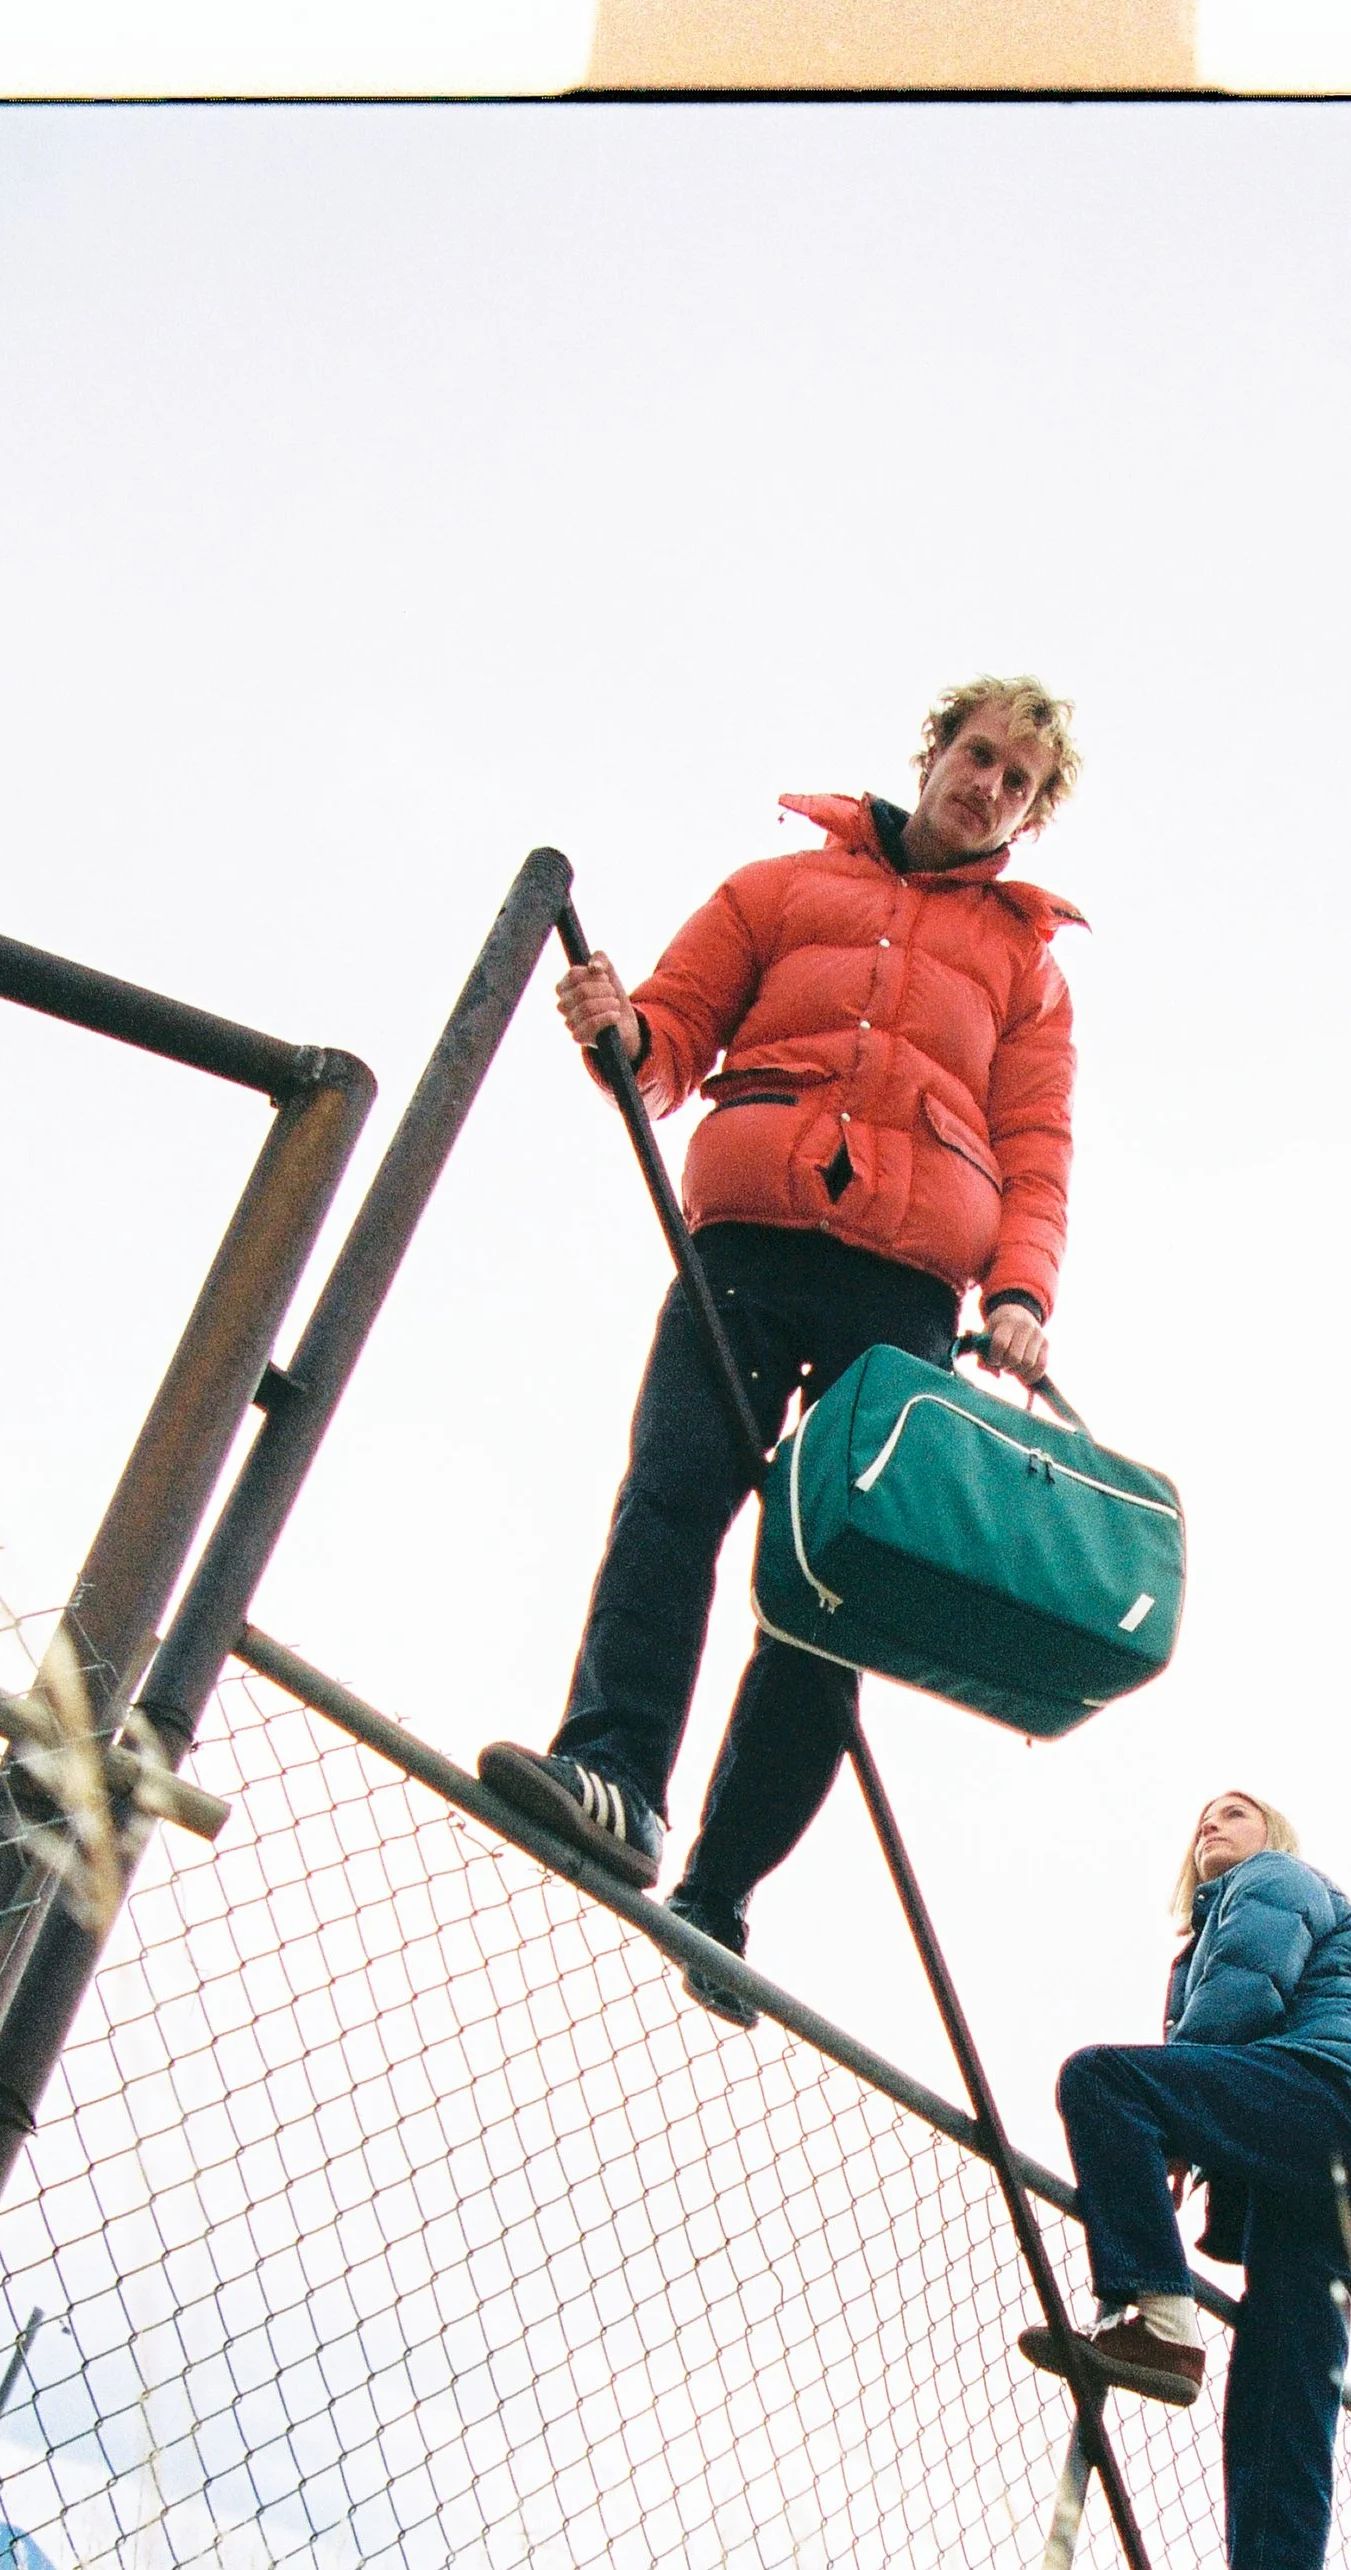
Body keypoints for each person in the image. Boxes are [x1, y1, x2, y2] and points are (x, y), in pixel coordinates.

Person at [475, 678, 1087, 2026]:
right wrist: (622, 1034)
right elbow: (675, 1030)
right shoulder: (774, 887)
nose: (987, 784)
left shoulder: (1028, 975)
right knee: (670, 1498)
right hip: (747, 1247)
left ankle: (722, 1888)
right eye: (976, 754)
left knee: (832, 1596)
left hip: (907, 1298)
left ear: (1031, 815)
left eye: (1018, 781)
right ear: (933, 753)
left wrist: (1021, 1290)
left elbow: (1035, 1151)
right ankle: (615, 1779)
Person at [1017, 1789, 1351, 2570]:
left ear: (1270, 1836)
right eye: (1199, 1816)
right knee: (1281, 2430)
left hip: (1324, 2098)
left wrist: (1168, 2120)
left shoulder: (1273, 1881)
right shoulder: (1218, 1920)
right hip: (1340, 2174)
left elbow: (1246, 1985)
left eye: (1235, 1812)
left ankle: (1160, 2317)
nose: (1212, 1824)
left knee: (1103, 2081)